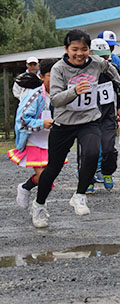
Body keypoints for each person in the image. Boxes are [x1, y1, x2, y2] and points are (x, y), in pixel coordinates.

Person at [31, 30, 120, 228]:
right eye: (74, 49)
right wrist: (74, 91)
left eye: (84, 49)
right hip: (64, 123)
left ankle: (80, 195)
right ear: (66, 49)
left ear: (89, 50)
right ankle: (39, 205)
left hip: (89, 119)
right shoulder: (59, 69)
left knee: (92, 153)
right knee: (53, 168)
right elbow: (56, 99)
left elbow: (111, 68)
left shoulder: (96, 62)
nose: (79, 53)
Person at [10, 60, 55, 210]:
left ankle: (27, 188)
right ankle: (38, 205)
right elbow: (22, 119)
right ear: (42, 76)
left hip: (51, 143)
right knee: (44, 177)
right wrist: (42, 124)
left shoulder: (60, 94)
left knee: (48, 178)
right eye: (51, 75)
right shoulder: (35, 95)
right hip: (33, 141)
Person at [84, 38, 120, 193]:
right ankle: (87, 180)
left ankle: (107, 172)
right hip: (88, 117)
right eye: (100, 57)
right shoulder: (83, 71)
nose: (103, 60)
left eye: (105, 57)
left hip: (108, 115)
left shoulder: (112, 69)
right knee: (89, 150)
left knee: (108, 148)